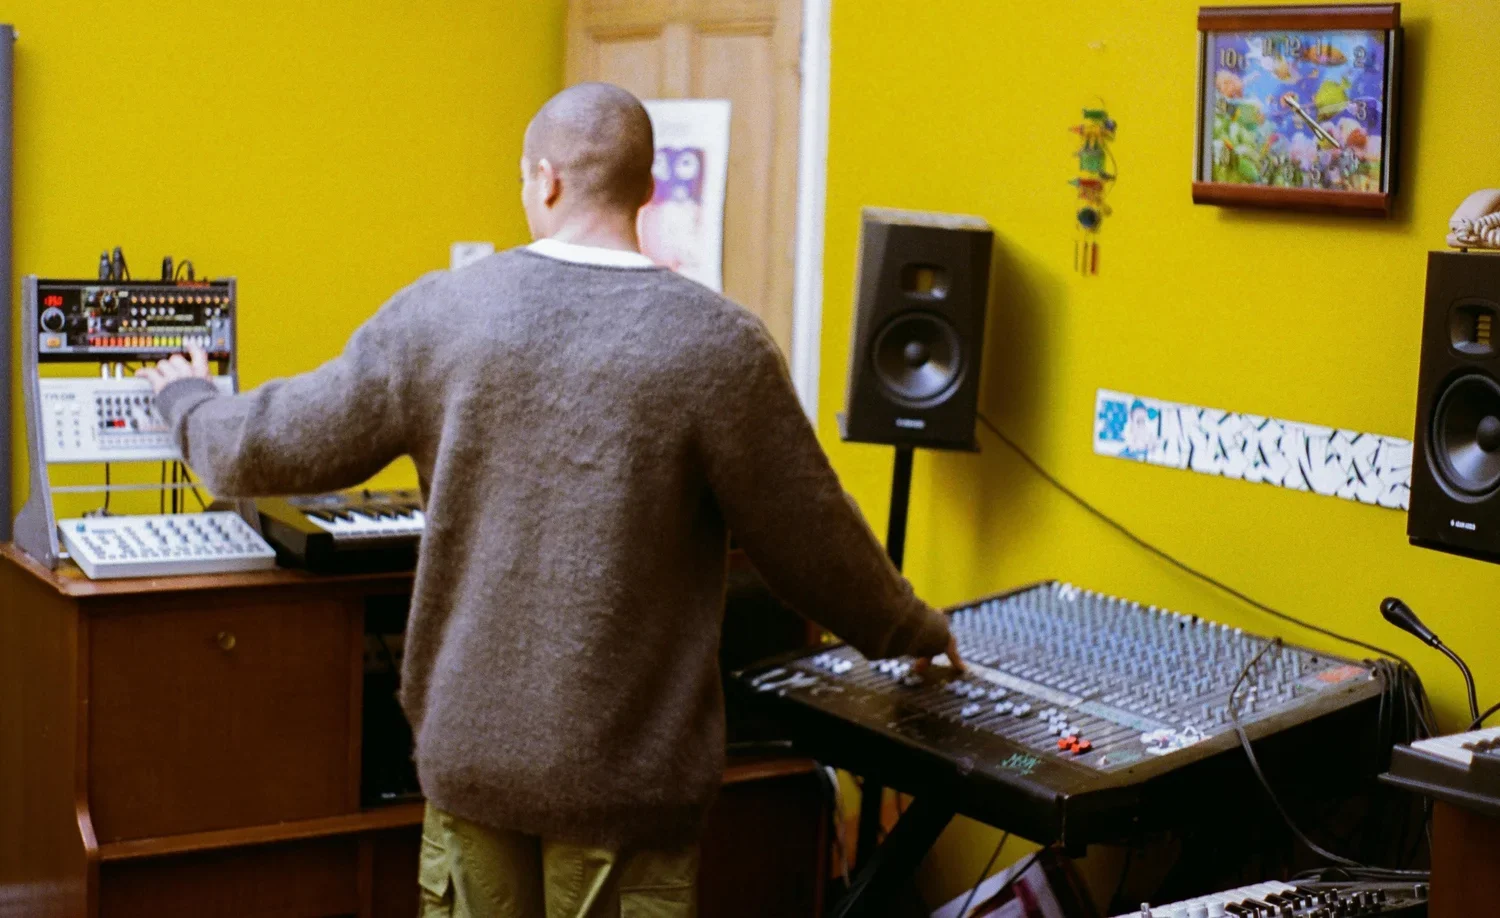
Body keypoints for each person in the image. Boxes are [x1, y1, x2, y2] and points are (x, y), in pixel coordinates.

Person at [138, 82, 961, 918]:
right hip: (628, 784)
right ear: (648, 189)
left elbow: (268, 445)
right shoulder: (720, 345)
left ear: (545, 178)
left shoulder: (443, 313)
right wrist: (910, 632)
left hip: (472, 764)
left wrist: (188, 402)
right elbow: (813, 539)